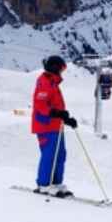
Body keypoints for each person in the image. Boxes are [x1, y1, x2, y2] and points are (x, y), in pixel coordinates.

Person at [32, 55, 77, 197]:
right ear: (55, 68)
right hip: (45, 125)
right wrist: (57, 113)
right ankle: (44, 185)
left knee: (60, 155)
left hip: (56, 126)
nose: (62, 72)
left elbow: (56, 107)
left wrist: (66, 119)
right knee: (49, 155)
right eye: (61, 69)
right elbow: (40, 105)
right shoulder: (44, 82)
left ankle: (56, 183)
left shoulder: (53, 83)